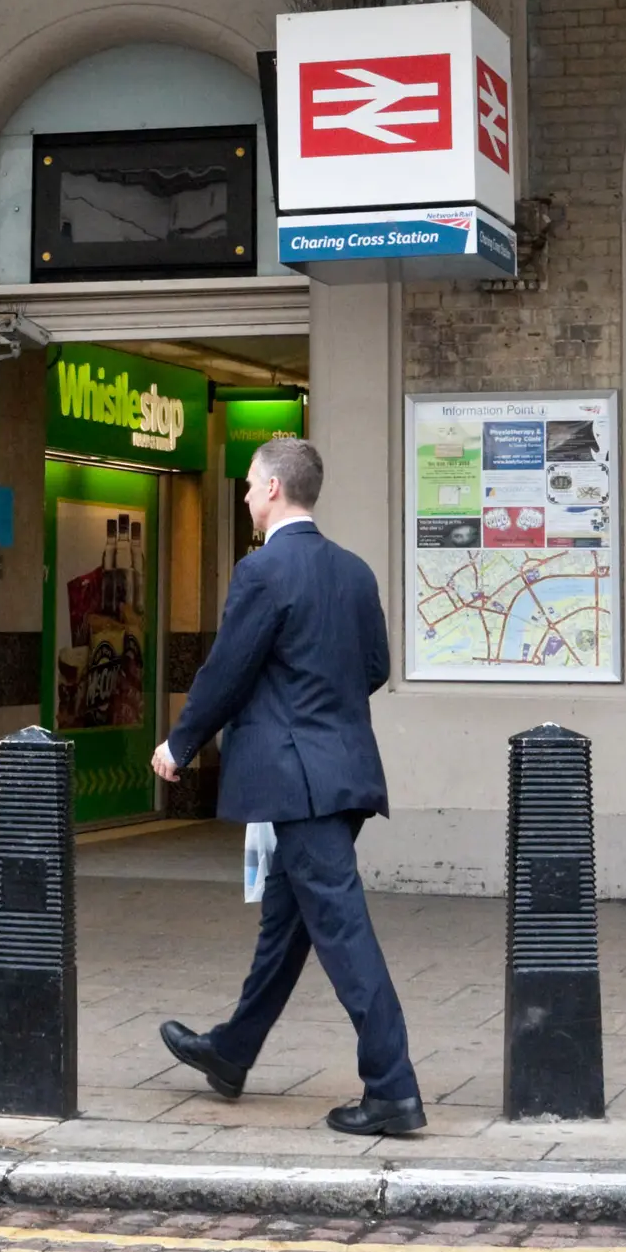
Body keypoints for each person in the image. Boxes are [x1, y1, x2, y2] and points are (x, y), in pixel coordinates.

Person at [150, 435, 425, 1138]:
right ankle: (232, 1052)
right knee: (287, 925)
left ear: (273, 488)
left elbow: (227, 669)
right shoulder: (354, 571)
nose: (245, 494)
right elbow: (373, 667)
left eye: (249, 483)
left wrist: (180, 743)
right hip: (345, 771)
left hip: (296, 779)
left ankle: (393, 1089)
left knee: (343, 932)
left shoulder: (263, 571)